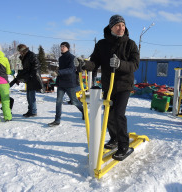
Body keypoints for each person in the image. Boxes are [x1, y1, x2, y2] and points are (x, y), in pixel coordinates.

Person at [74, 14, 139, 160]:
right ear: (111, 27)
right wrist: (83, 64)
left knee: (118, 114)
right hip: (108, 85)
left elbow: (134, 65)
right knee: (109, 114)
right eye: (118, 25)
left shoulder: (130, 44)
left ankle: (124, 145)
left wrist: (120, 64)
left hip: (124, 85)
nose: (121, 28)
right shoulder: (102, 44)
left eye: (123, 25)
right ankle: (114, 138)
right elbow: (94, 63)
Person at [48, 42, 84, 127]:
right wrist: (56, 74)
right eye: (61, 46)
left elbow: (71, 69)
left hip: (69, 83)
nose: (62, 48)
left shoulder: (72, 57)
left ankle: (84, 111)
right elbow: (61, 69)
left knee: (74, 101)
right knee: (58, 102)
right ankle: (57, 120)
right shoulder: (60, 58)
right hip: (61, 83)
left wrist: (58, 72)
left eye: (63, 47)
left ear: (68, 48)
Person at [10, 44, 43, 117]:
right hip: (29, 77)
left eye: (19, 51)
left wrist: (30, 75)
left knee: (31, 96)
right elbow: (26, 69)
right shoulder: (24, 56)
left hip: (33, 77)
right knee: (29, 96)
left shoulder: (31, 55)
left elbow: (36, 66)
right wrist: (19, 78)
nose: (19, 53)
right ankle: (30, 110)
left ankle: (33, 111)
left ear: (22, 50)